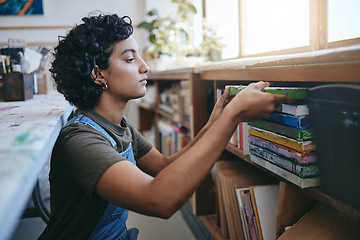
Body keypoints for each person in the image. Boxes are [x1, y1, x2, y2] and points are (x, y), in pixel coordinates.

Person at [42, 12, 293, 240]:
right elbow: (159, 199)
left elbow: (164, 168)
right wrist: (233, 116)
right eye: (130, 59)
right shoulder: (81, 140)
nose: (145, 66)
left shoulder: (120, 126)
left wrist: (213, 124)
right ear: (98, 74)